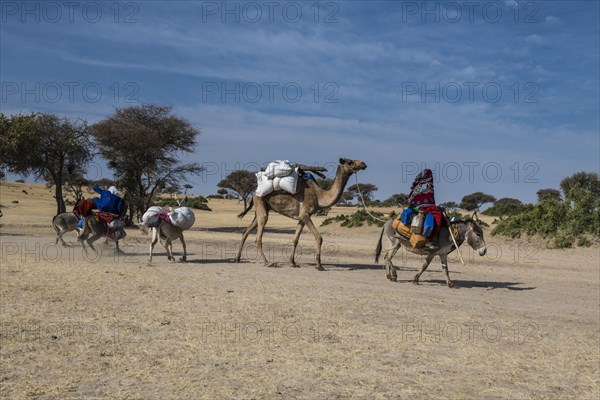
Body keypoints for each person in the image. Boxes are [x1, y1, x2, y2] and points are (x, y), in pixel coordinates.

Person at [407, 169, 443, 250]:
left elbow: (410, 200)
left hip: (415, 207)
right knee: (438, 217)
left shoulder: (417, 186)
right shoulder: (428, 185)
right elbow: (429, 202)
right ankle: (429, 240)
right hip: (424, 208)